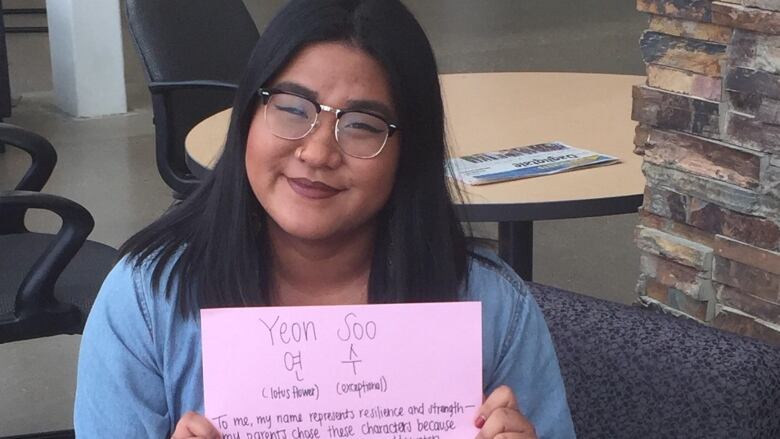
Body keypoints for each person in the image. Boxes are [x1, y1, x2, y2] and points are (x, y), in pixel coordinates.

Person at [74, 0, 575, 437]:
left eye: (361, 126)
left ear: (409, 151)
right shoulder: (146, 300)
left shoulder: (491, 306)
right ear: (248, 112)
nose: (317, 152)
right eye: (293, 109)